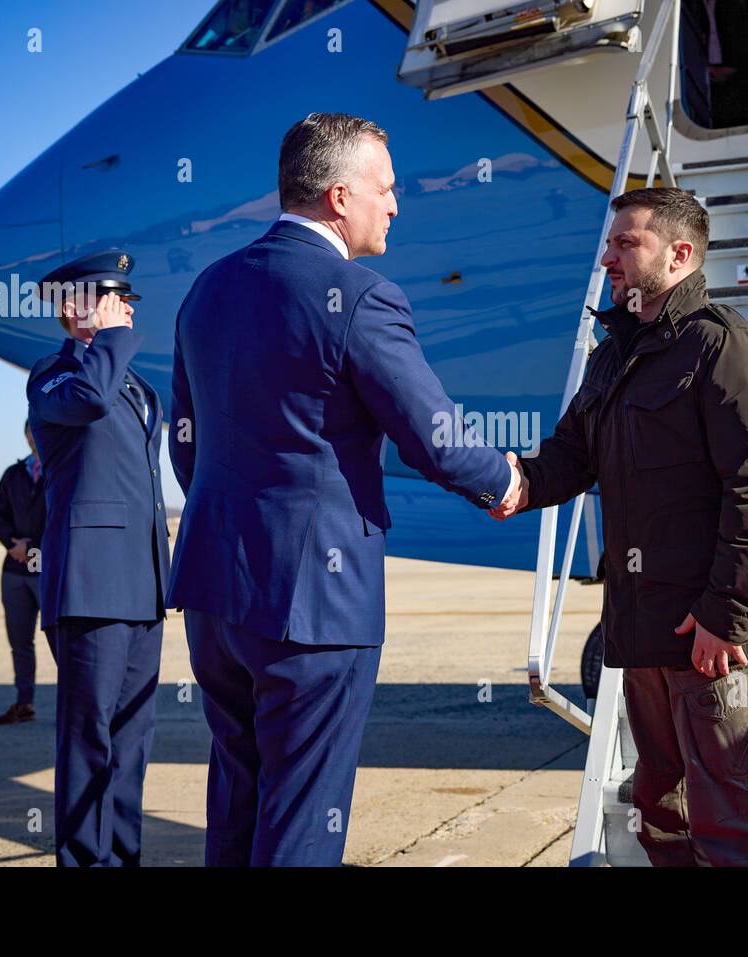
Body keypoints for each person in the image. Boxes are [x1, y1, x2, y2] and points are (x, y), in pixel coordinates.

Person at [167, 112, 524, 867]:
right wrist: (507, 482)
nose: (395, 205)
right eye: (386, 190)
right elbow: (435, 436)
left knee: (238, 797)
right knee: (303, 817)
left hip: (213, 592)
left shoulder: (207, 290)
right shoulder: (358, 294)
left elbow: (185, 440)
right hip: (314, 602)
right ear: (338, 195)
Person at [493, 187, 748, 867]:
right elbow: (569, 456)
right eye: (611, 244)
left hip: (712, 641)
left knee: (735, 817)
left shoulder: (722, 348)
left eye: (626, 244)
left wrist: (727, 614)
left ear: (680, 254)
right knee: (662, 809)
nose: (608, 258)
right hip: (644, 631)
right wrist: (512, 481)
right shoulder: (614, 353)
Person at [27, 250, 170, 867]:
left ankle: (122, 857)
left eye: (126, 300)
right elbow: (87, 400)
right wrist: (107, 339)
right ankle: (85, 862)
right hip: (89, 585)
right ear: (72, 307)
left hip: (143, 585)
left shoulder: (136, 386)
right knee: (89, 737)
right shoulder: (53, 376)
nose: (125, 309)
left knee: (131, 740)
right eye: (111, 299)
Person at [0, 420, 46, 725]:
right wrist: (14, 544)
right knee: (20, 641)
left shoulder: (62, 469)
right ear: (25, 434)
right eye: (31, 430)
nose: (35, 435)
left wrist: (34, 546)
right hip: (14, 570)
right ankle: (24, 703)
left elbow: (66, 516)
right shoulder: (13, 474)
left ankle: (75, 707)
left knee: (62, 643)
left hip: (48, 570)